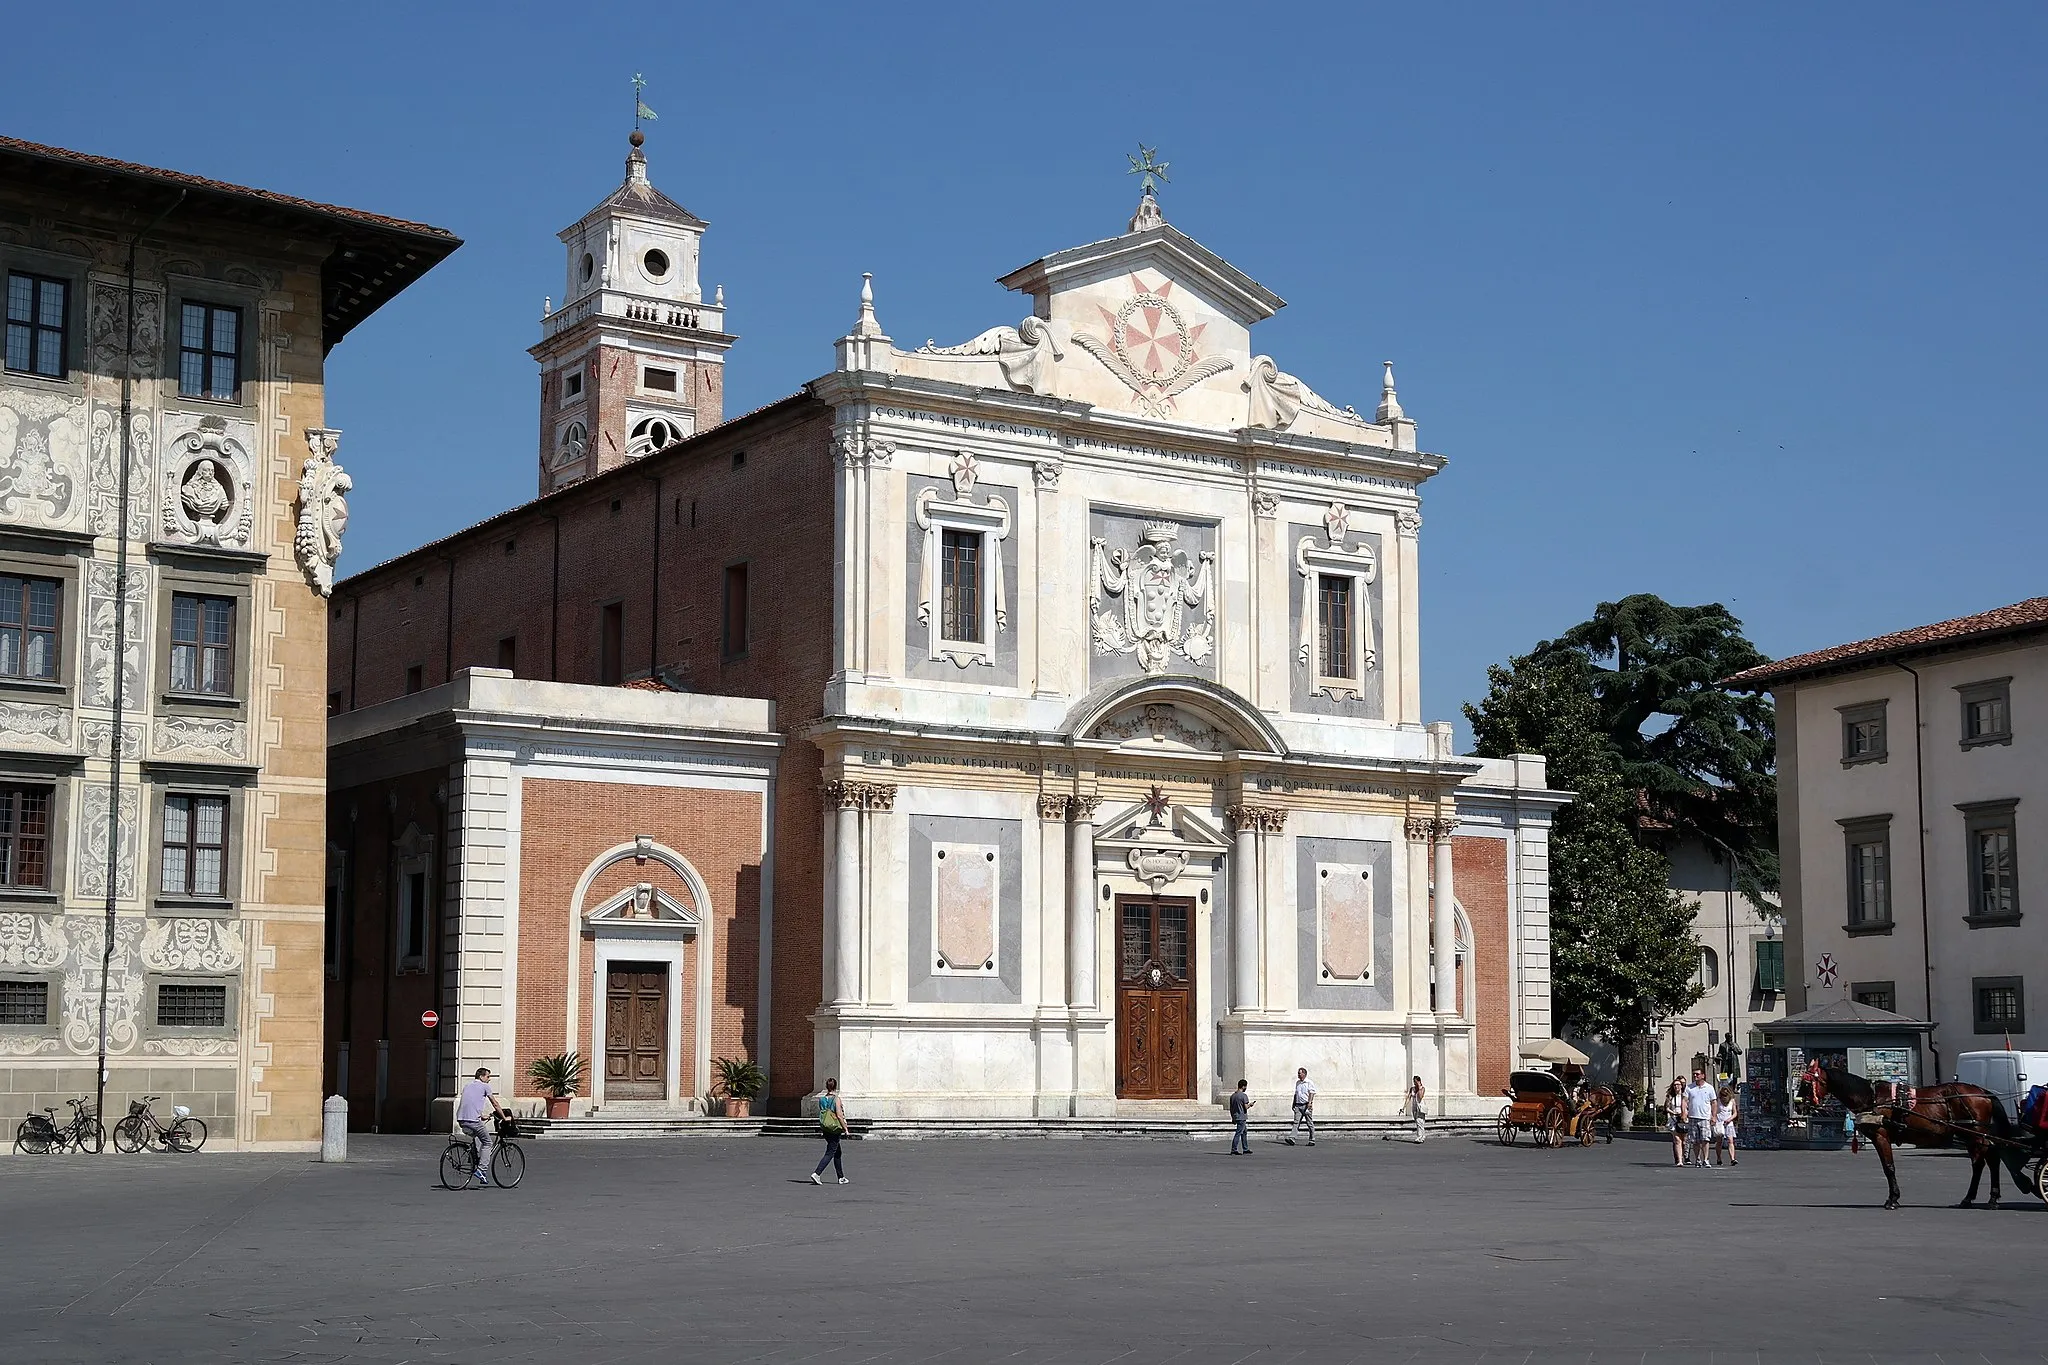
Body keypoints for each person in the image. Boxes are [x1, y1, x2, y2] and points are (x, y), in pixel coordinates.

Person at [455, 1066, 506, 1187]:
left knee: (478, 1137)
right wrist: (504, 1117)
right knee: (488, 1143)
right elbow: (495, 1103)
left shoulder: (467, 1086)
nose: (489, 1079)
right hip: (473, 1121)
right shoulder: (485, 1086)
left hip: (462, 1120)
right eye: (488, 1076)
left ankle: (474, 1158)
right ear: (481, 1076)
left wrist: (481, 1115)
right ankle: (481, 1170)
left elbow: (470, 1102)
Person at [809, 1077, 850, 1185]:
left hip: (825, 1127)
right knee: (830, 1152)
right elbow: (839, 1116)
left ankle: (841, 1177)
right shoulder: (836, 1099)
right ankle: (817, 1173)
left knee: (837, 1152)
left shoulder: (822, 1099)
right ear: (835, 1087)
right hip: (834, 1128)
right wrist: (845, 1128)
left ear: (827, 1087)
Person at [1684, 1067, 1718, 1169]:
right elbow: (1685, 1100)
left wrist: (1714, 1116)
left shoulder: (1709, 1088)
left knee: (1705, 1139)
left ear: (1703, 1075)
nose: (1695, 1076)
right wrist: (1684, 1113)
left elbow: (1714, 1102)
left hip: (1704, 1117)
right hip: (1693, 1117)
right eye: (1694, 1074)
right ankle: (1697, 1159)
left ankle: (1706, 1159)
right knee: (1694, 1140)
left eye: (1697, 1074)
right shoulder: (1689, 1088)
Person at [1284, 1067, 1316, 1146]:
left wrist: (1310, 1102)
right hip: (1298, 1105)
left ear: (1304, 1074)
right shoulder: (1297, 1083)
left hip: (1306, 1105)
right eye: (1298, 1073)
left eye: (1299, 1073)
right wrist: (1294, 1103)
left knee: (1309, 1123)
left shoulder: (1309, 1082)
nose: (1298, 1074)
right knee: (1296, 1122)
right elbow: (1296, 1094)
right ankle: (1292, 1138)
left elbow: (1312, 1093)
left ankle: (1312, 1140)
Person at [1713, 1085, 1739, 1167]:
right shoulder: (1718, 1101)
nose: (1724, 1098)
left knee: (1730, 1141)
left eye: (1726, 1096)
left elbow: (1735, 1113)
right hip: (1719, 1122)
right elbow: (1714, 1111)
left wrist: (1730, 1119)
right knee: (1719, 1141)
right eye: (1723, 1096)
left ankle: (1732, 1158)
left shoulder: (1732, 1101)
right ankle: (1719, 1158)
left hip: (1729, 1122)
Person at [1664, 1079, 1686, 1167]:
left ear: (1681, 1086)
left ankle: (1684, 1156)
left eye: (1678, 1084)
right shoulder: (1670, 1096)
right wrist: (1673, 1113)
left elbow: (1689, 1106)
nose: (1676, 1086)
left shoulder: (1685, 1096)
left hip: (1684, 1119)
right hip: (1674, 1119)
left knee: (1684, 1141)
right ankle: (1679, 1160)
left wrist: (1684, 1113)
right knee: (1677, 1140)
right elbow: (1667, 1107)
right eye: (1674, 1085)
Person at [1228, 1079, 1254, 1155]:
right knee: (1238, 1133)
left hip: (1236, 1116)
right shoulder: (1243, 1096)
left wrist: (1232, 1117)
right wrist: (1250, 1105)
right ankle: (1234, 1149)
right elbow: (1246, 1107)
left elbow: (1231, 1108)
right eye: (1245, 1086)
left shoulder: (1233, 1096)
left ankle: (1245, 1148)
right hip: (1242, 1116)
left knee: (1244, 1132)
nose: (1246, 1088)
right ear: (1243, 1086)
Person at [1408, 1076, 1427, 1143]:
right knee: (1418, 1122)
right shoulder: (1412, 1089)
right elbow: (1408, 1098)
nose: (1414, 1083)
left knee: (1420, 1121)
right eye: (1414, 1081)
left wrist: (1419, 1087)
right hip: (1414, 1107)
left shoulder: (1422, 1088)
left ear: (1418, 1081)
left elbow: (1420, 1096)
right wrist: (1403, 1107)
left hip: (1420, 1106)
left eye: (1415, 1081)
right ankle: (1423, 1136)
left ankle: (1419, 1137)